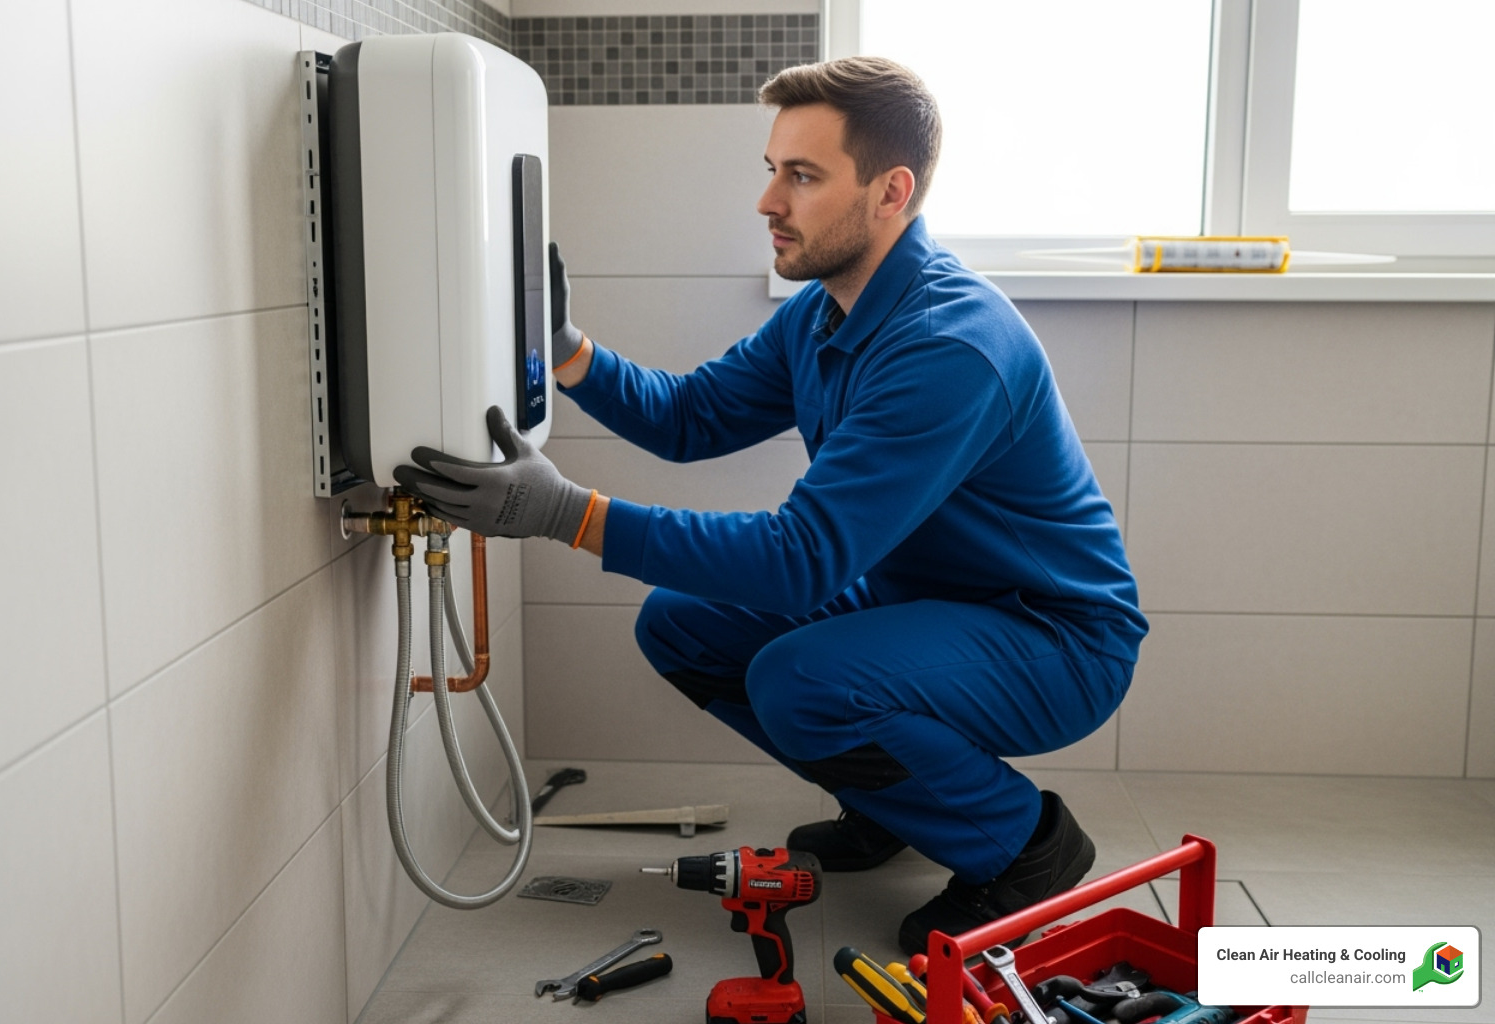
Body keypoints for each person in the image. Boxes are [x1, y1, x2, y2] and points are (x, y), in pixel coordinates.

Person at [395, 56, 1148, 956]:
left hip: (1052, 639)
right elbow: (692, 417)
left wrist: (568, 516)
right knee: (684, 626)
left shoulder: (950, 346)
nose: (768, 202)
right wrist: (566, 348)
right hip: (930, 605)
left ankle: (1025, 844)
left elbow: (802, 562)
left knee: (802, 680)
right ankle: (892, 802)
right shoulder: (827, 310)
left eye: (803, 176)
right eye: (772, 170)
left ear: (890, 191)